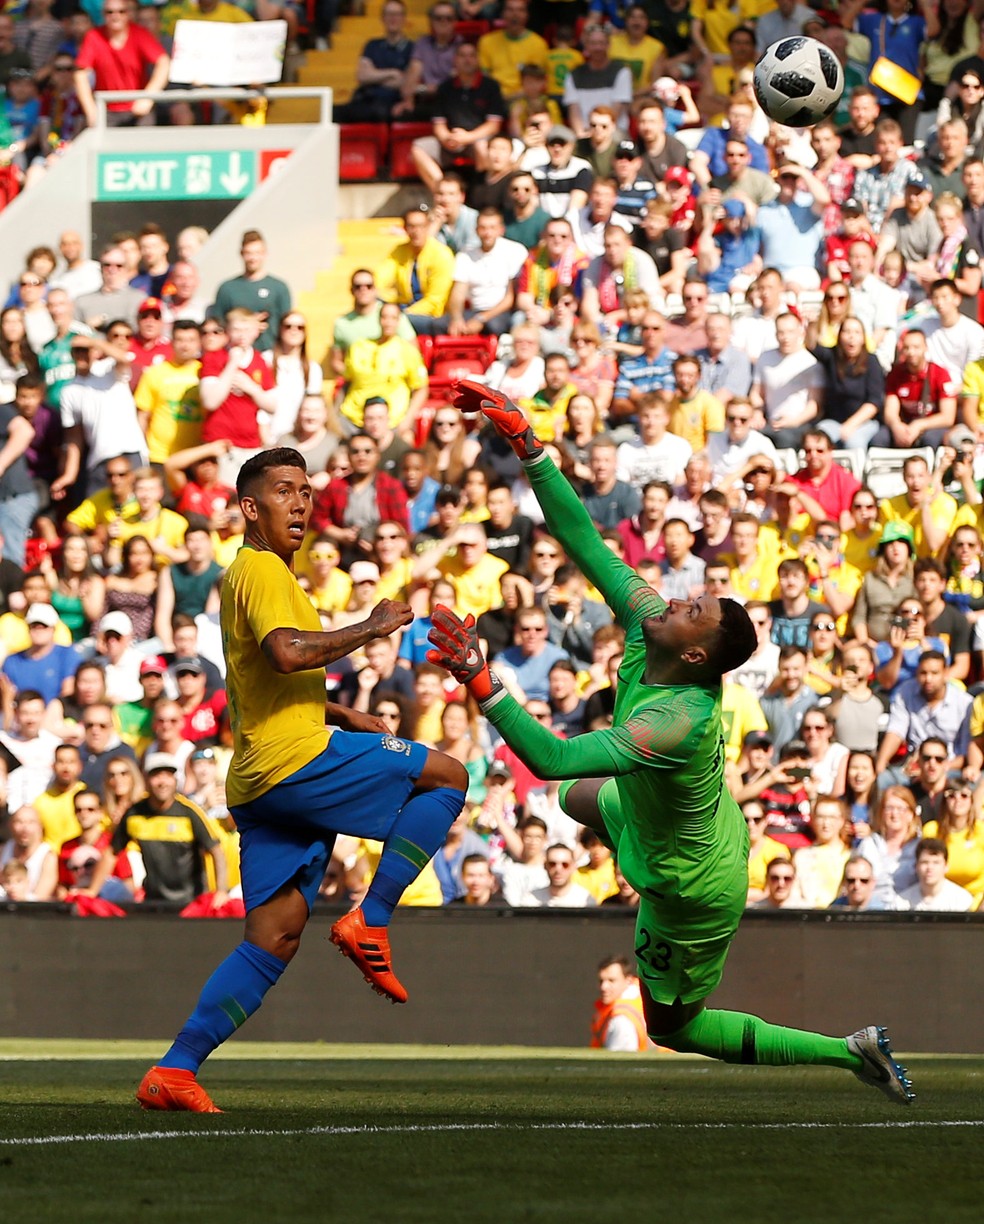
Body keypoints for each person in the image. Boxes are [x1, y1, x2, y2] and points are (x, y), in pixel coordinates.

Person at [428, 382, 915, 1105]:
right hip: (666, 818)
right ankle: (626, 844)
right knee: (574, 799)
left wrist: (482, 680)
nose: (677, 597)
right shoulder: (651, 621)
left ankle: (850, 1052)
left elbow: (550, 757)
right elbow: (582, 539)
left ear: (696, 656)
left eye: (695, 609)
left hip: (692, 883)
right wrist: (531, 447)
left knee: (674, 1027)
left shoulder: (678, 720)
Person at [135, 448, 468, 1112]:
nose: (301, 503)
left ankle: (174, 1071)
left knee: (275, 936)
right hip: (296, 764)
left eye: (308, 492)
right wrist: (372, 626)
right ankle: (369, 920)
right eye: (284, 491)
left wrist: (347, 712)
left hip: (262, 780)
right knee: (448, 776)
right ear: (250, 507)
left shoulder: (268, 578)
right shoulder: (259, 569)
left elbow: (267, 680)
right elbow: (287, 653)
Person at [210, 231, 291, 354]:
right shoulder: (227, 289)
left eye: (257, 253)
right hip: (234, 353)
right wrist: (247, 325)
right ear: (241, 254)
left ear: (265, 254)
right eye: (248, 253)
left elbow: (287, 325)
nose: (253, 258)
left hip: (269, 353)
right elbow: (217, 326)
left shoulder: (279, 288)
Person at [590, 954, 649, 1051]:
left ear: (628, 980)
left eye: (611, 980)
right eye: (601, 981)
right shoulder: (643, 998)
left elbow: (619, 1064)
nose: (604, 987)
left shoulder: (622, 1020)